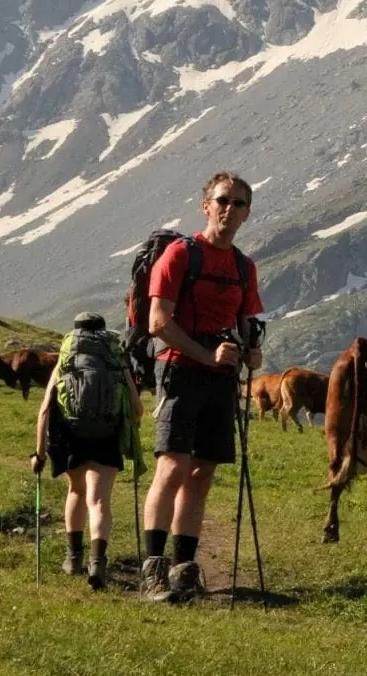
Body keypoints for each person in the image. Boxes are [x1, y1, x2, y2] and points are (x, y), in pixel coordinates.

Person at [139, 172, 264, 603]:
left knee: (202, 472)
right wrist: (205, 354)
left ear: (247, 213)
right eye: (223, 200)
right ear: (205, 205)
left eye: (240, 204)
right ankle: (153, 568)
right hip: (179, 372)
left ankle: (184, 569)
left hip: (221, 378)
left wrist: (251, 351)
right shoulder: (180, 255)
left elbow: (247, 322)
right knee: (173, 467)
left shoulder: (244, 267)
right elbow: (158, 323)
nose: (231, 209)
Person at [32, 311, 142, 590]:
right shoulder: (116, 362)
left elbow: (45, 409)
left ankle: (73, 558)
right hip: (106, 435)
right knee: (100, 499)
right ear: (104, 333)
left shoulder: (66, 361)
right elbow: (137, 407)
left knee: (76, 491)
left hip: (71, 435)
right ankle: (97, 563)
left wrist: (39, 453)